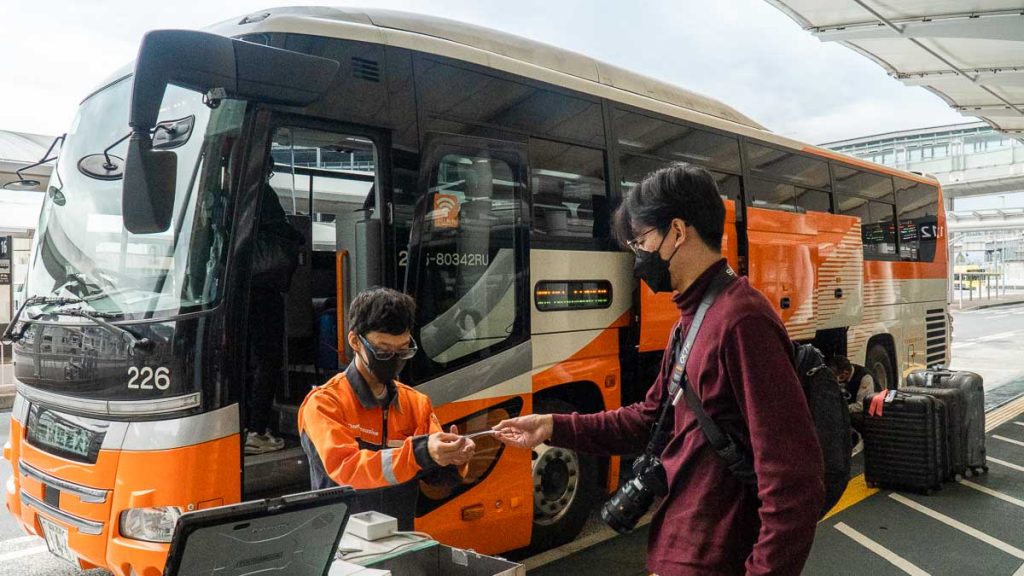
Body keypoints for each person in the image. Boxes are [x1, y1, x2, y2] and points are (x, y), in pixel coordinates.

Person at [494, 163, 824, 576]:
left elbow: (794, 480)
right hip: (683, 550)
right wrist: (552, 426)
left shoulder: (742, 321)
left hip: (717, 558)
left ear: (678, 232)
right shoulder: (693, 319)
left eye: (641, 241)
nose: (638, 256)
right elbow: (649, 421)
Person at [297, 287, 475, 529]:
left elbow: (436, 478)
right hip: (342, 547)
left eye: (402, 350)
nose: (394, 359)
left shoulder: (416, 404)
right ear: (355, 342)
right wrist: (420, 453)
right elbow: (347, 469)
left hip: (397, 541)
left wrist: (452, 459)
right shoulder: (324, 404)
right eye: (382, 351)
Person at [245, 159, 305, 454]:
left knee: (249, 359)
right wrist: (298, 236)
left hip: (243, 289)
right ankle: (257, 430)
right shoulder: (262, 193)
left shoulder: (229, 191)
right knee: (268, 359)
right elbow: (278, 228)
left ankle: (248, 426)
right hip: (263, 287)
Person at [826, 355, 874, 451]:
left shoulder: (865, 377)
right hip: (851, 405)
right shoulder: (844, 377)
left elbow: (862, 405)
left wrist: (842, 408)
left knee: (851, 417)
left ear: (845, 373)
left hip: (870, 412)